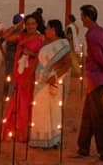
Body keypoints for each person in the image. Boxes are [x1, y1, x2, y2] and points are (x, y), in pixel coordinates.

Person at [76, 4, 103, 162]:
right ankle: (83, 147)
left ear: (87, 17)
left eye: (82, 17)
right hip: (99, 78)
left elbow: (101, 58)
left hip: (96, 79)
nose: (81, 20)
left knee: (99, 117)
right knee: (88, 115)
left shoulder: (91, 35)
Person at [0, 15, 44, 143]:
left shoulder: (41, 38)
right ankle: (16, 129)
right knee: (18, 99)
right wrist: (17, 26)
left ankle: (25, 131)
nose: (30, 26)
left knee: (28, 100)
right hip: (19, 72)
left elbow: (42, 57)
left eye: (33, 24)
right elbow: (5, 37)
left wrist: (31, 54)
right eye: (28, 24)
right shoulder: (22, 36)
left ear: (37, 25)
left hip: (31, 73)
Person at [30, 20, 72, 149]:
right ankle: (40, 139)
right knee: (39, 109)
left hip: (51, 81)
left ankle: (52, 140)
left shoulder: (63, 45)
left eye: (47, 28)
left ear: (53, 30)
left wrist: (55, 77)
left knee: (52, 110)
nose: (45, 30)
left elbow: (67, 63)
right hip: (40, 80)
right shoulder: (47, 42)